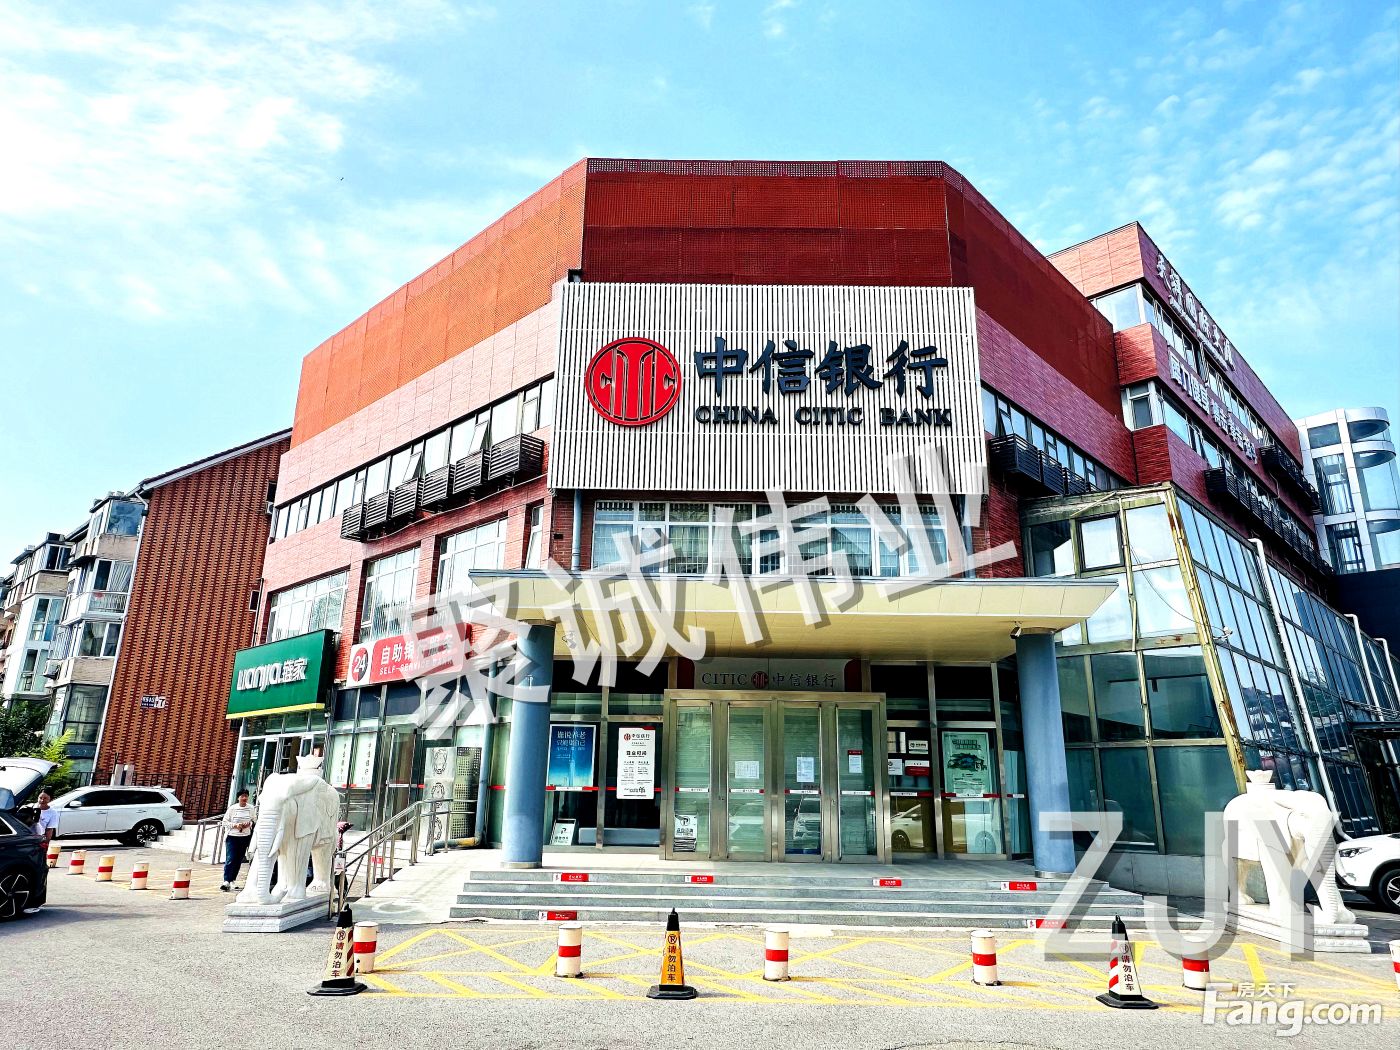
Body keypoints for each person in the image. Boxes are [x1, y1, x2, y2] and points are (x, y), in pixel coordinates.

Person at [220, 789, 256, 892]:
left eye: (246, 796)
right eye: (242, 796)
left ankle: (232, 880)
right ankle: (226, 880)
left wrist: (249, 824)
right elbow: (224, 822)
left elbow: (254, 820)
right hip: (232, 836)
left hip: (245, 837)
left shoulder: (251, 808)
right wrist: (235, 825)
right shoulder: (232, 808)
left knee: (238, 859)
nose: (244, 798)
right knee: (231, 858)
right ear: (238, 798)